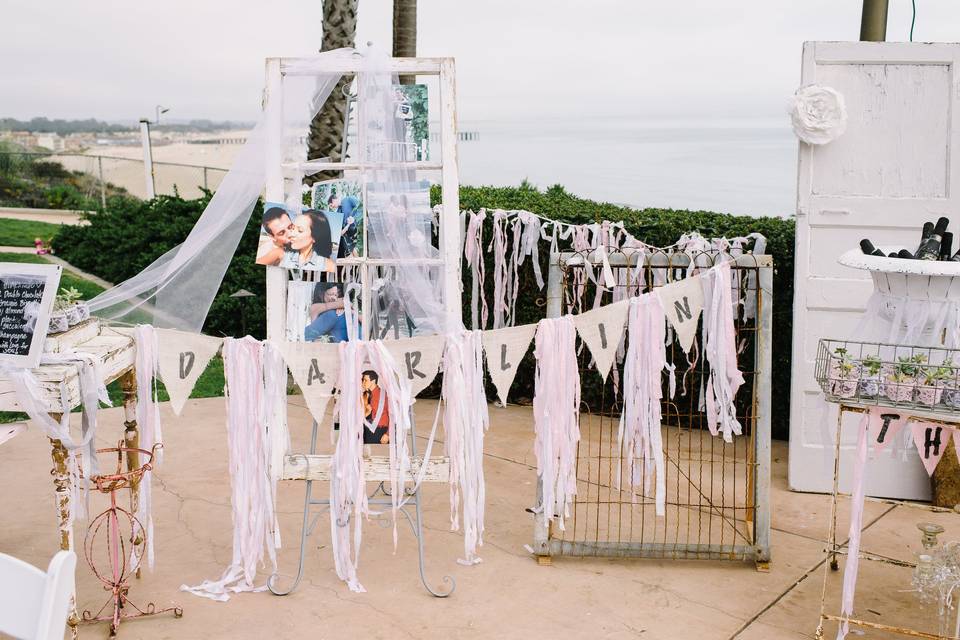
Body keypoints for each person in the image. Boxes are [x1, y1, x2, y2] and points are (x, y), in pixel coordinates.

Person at [328, 192, 363, 258]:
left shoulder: (349, 199)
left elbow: (361, 207)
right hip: (349, 238)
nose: (332, 207)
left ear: (333, 200)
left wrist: (354, 218)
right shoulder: (338, 212)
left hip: (359, 232)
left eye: (331, 205)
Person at [361, 370, 389, 444]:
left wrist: (388, 434)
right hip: (367, 431)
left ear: (373, 381)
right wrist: (367, 411)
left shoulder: (384, 395)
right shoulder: (365, 395)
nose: (363, 383)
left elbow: (394, 416)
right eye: (362, 380)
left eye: (365, 380)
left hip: (380, 431)